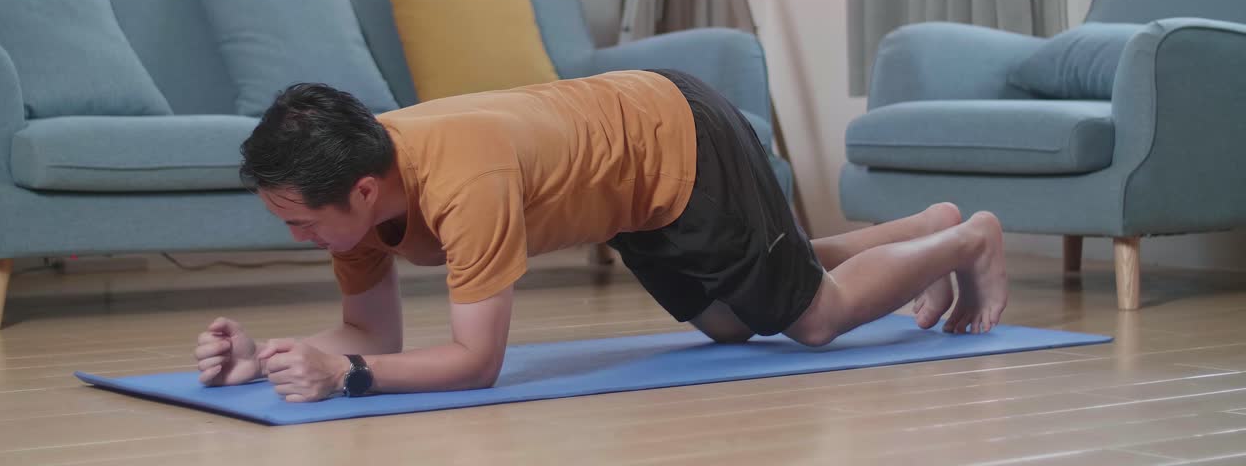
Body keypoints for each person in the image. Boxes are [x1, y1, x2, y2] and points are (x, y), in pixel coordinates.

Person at [193, 70, 1007, 402]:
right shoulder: (362, 191)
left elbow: (477, 362)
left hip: (678, 142)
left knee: (812, 320)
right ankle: (921, 232)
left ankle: (966, 241)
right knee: (735, 322)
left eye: (301, 221)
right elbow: (370, 334)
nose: (297, 236)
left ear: (364, 191)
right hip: (624, 184)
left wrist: (349, 378)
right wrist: (265, 359)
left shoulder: (463, 183)